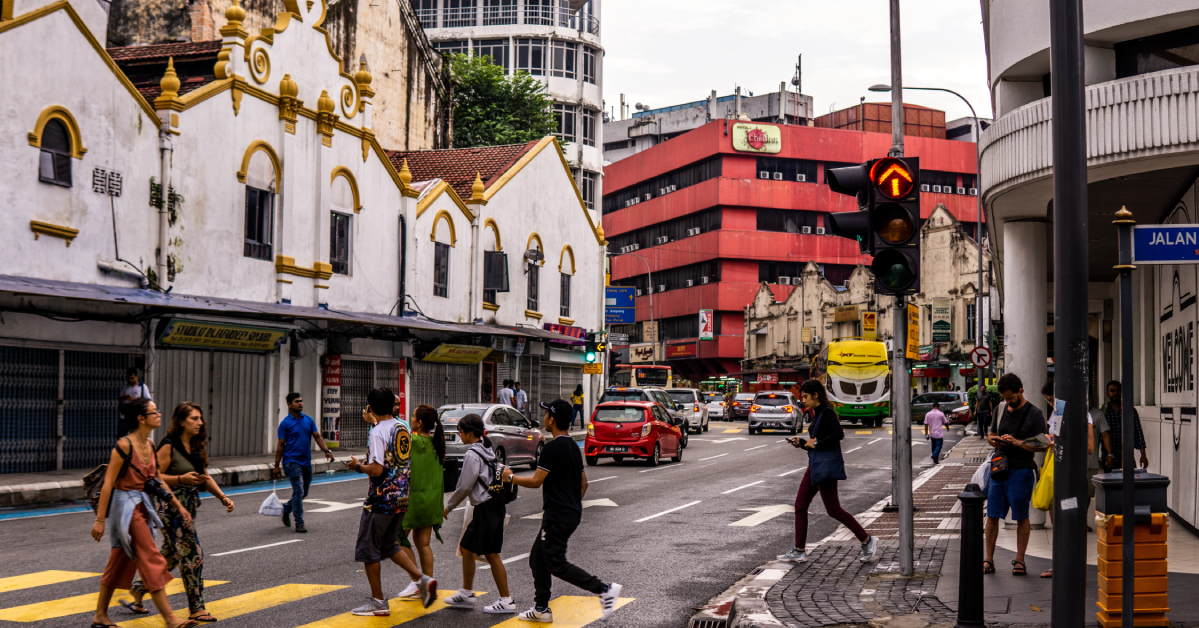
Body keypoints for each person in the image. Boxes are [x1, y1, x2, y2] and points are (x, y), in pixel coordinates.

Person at [502, 400, 623, 622]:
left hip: (557, 516)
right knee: (538, 559)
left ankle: (604, 589)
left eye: (547, 414)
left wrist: (510, 478)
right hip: (569, 513)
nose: (545, 417)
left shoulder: (551, 447)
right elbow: (583, 483)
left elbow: (537, 481)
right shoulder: (571, 447)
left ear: (552, 419)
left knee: (555, 562)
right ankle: (541, 609)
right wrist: (572, 505)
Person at [122, 402, 236, 622]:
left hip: (189, 505)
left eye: (200, 418)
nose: (199, 423)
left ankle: (139, 587)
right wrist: (181, 479)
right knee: (193, 552)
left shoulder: (196, 445)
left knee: (173, 553)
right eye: (194, 418)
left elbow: (205, 476)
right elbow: (154, 476)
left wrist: (223, 497)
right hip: (170, 506)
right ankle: (197, 607)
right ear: (181, 421)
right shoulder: (168, 445)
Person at [90, 398, 198, 628]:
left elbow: (156, 480)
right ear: (141, 418)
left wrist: (178, 506)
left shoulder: (149, 445)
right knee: (151, 558)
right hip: (126, 510)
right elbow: (108, 484)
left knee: (120, 560)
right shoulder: (124, 446)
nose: (159, 414)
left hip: (142, 505)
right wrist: (100, 520)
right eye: (154, 412)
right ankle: (169, 618)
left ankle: (100, 615)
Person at [346, 388, 436, 614]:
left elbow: (376, 469)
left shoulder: (377, 431)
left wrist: (357, 466)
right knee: (389, 545)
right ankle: (421, 579)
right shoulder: (403, 426)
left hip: (380, 500)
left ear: (372, 407)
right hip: (402, 497)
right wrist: (373, 421)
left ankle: (378, 602)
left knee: (369, 550)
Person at [777, 379, 877, 564]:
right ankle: (799, 549)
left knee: (833, 510)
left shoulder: (827, 412)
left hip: (824, 467)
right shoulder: (817, 413)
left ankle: (867, 539)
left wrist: (816, 443)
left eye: (806, 397)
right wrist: (802, 443)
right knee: (800, 505)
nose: (804, 401)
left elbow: (838, 434)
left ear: (816, 395)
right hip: (815, 465)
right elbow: (816, 443)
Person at [441, 413, 517, 614]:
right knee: (467, 548)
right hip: (488, 507)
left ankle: (506, 600)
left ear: (468, 432)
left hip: (487, 508)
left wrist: (448, 507)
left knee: (492, 554)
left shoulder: (472, 454)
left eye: (460, 432)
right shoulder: (485, 447)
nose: (459, 435)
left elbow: (464, 486)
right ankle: (466, 592)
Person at [983, 373, 1048, 577]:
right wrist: (994, 441)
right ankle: (988, 559)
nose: (1008, 402)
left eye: (1011, 398)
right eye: (1005, 398)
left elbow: (1043, 445)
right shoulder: (1001, 409)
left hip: (1021, 470)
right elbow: (991, 435)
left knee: (1021, 516)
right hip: (999, 469)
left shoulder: (1035, 413)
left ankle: (1020, 559)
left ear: (1021, 390)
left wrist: (1018, 442)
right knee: (992, 516)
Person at [1037, 381, 1094, 578]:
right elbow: (1052, 437)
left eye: (1053, 400)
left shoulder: (1081, 414)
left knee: (1071, 520)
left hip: (1072, 475)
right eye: (1048, 402)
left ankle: (1074, 566)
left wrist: (1062, 440)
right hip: (1056, 471)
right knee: (1057, 523)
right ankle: (1059, 564)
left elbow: (1089, 447)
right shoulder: (1056, 414)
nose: (1052, 405)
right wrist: (1048, 439)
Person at [396, 405, 446, 601]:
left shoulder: (414, 441)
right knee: (423, 544)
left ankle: (417, 581)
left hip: (414, 500)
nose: (411, 417)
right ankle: (429, 582)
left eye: (414, 416)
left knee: (398, 538)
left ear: (420, 422)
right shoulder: (436, 442)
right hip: (432, 500)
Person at [272, 393, 335, 533]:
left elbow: (317, 436)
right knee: (298, 490)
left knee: (303, 492)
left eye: (301, 401)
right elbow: (280, 445)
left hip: (305, 462)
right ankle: (299, 522)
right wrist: (276, 466)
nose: (300, 403)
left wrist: (326, 450)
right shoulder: (285, 423)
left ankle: (287, 508)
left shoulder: (309, 420)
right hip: (291, 462)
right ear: (289, 404)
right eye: (296, 401)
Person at [1098, 380, 1148, 472]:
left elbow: (1138, 433)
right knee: (1111, 485)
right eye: (1112, 391)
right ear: (1107, 394)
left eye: (1118, 390)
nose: (1116, 393)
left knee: (1128, 485)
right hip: (1109, 460)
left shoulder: (1130, 411)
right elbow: (1098, 436)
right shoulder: (1103, 412)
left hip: (1127, 459)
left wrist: (1143, 455)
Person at [118, 367, 152, 438]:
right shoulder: (125, 387)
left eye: (132, 378)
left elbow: (148, 401)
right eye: (128, 378)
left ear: (137, 376)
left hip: (136, 417)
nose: (130, 380)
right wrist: (124, 397)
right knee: (120, 436)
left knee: (136, 436)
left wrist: (135, 399)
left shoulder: (142, 387)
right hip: (125, 416)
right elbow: (120, 399)